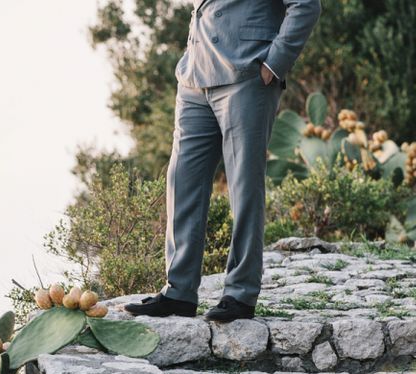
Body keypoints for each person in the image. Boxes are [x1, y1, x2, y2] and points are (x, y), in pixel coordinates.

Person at [125, 0, 321, 322]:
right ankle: (178, 292)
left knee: (243, 188)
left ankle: (240, 294)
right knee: (181, 181)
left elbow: (306, 5)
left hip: (247, 76)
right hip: (194, 78)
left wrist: (274, 65)